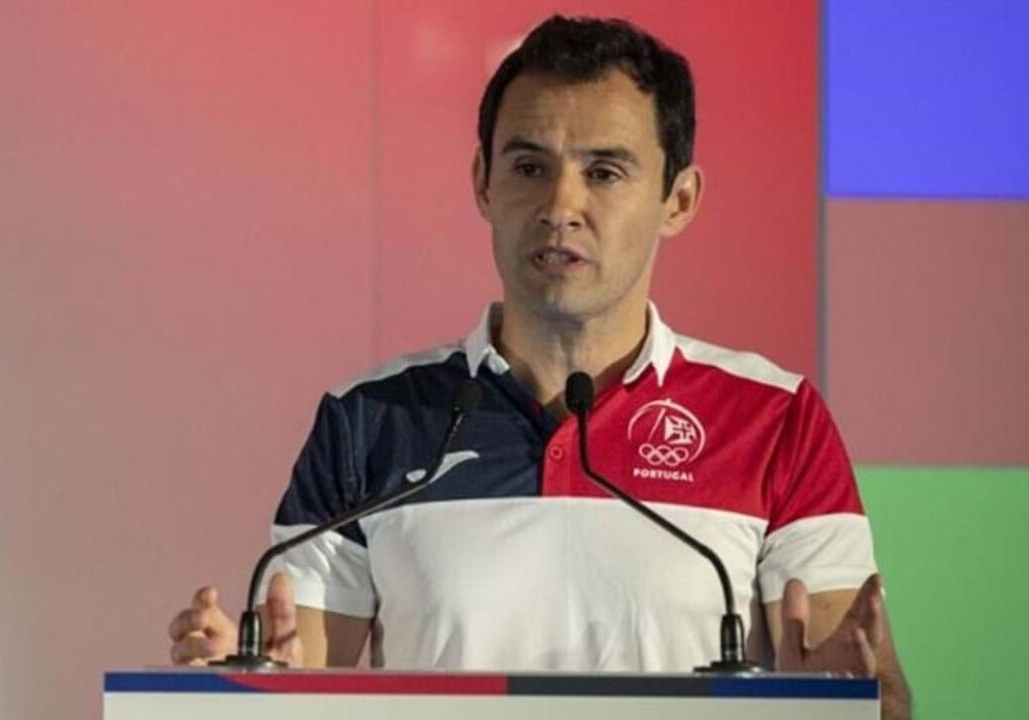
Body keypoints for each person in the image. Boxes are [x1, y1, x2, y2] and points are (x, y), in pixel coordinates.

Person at [167, 15, 910, 719]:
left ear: (677, 200)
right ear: (483, 183)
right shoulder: (368, 421)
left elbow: (869, 692)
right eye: (529, 166)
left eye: (604, 172)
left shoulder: (774, 418)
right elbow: (300, 678)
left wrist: (857, 703)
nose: (560, 204)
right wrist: (245, 687)